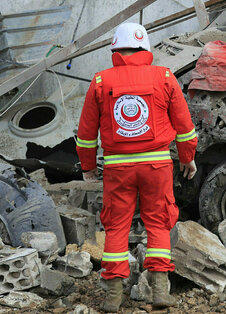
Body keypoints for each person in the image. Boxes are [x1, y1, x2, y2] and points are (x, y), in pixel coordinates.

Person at [75, 22, 198, 312]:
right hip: (156, 165)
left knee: (116, 226)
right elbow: (184, 126)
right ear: (146, 48)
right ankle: (159, 292)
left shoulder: (101, 81)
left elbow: (86, 132)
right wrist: (187, 156)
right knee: (158, 222)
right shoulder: (164, 77)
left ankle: (113, 297)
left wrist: (88, 167)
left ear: (115, 48)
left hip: (118, 169)